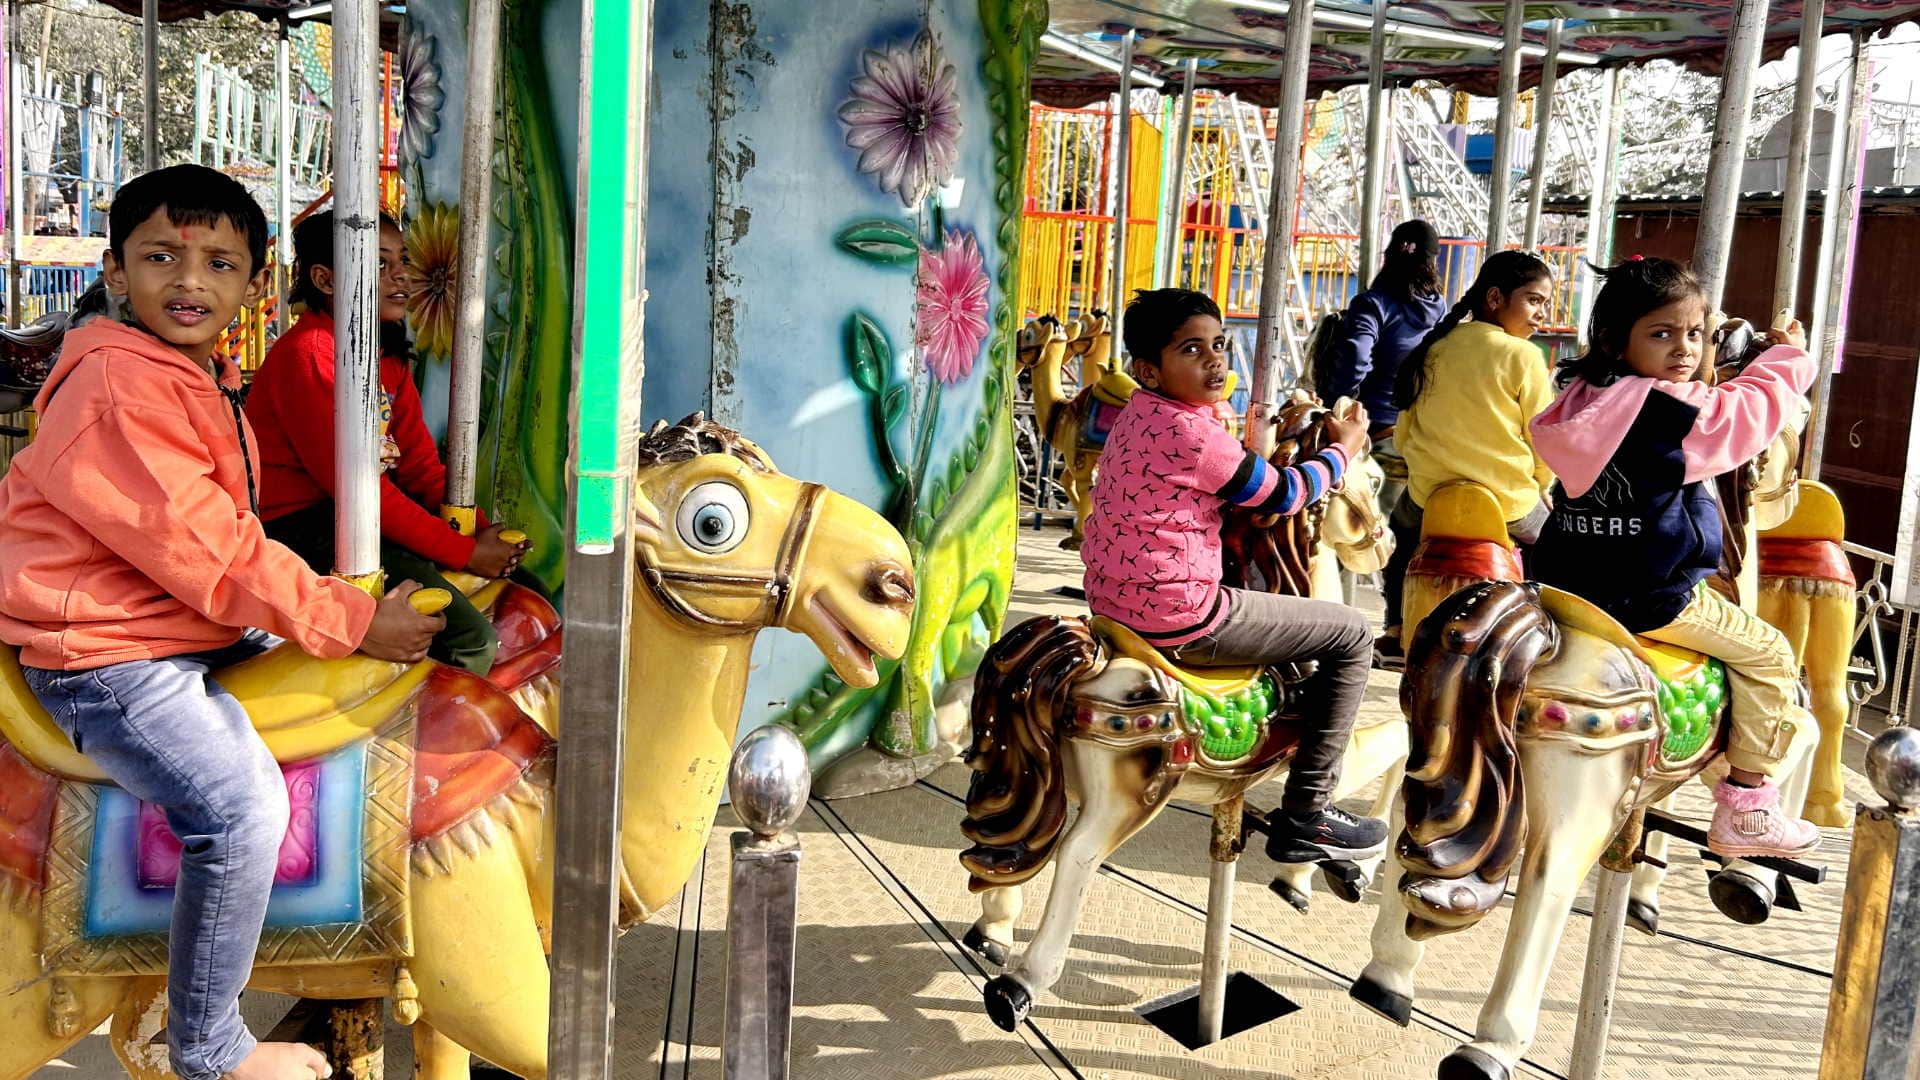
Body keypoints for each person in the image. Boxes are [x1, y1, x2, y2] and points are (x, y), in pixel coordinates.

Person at [0, 164, 442, 1080]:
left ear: (253, 284)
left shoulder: (186, 374)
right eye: (162, 257)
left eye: (218, 262)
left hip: (164, 623)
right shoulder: (122, 384)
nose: (190, 281)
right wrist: (350, 617)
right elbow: (206, 546)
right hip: (106, 653)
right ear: (117, 273)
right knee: (242, 810)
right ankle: (207, 1045)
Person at [1082, 288, 1386, 863]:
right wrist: (1343, 451)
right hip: (1183, 615)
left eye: (1219, 344)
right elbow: (1289, 494)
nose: (1214, 360)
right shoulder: (1194, 435)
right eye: (1191, 350)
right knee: (1353, 632)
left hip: (1113, 604)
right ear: (1149, 369)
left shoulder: (1138, 416)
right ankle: (1309, 812)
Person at [1529, 257, 1819, 859]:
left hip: (1564, 583)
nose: (1684, 349)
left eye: (1696, 333)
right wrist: (1786, 359)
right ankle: (1748, 802)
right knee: (1770, 653)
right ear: (1615, 339)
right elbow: (1745, 414)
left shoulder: (1581, 398)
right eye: (1661, 334)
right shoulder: (1672, 415)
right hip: (1648, 595)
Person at [248, 211, 528, 676]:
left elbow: (419, 464)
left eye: (402, 260)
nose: (401, 274)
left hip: (358, 512)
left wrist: (476, 531)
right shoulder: (311, 355)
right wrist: (464, 552)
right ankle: (442, 743)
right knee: (468, 638)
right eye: (378, 264)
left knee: (525, 590)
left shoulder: (385, 354)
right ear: (326, 279)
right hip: (303, 524)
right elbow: (357, 488)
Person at [1376, 249, 1558, 663]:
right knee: (1557, 549)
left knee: (1402, 537)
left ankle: (1395, 629)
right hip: (1508, 502)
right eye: (1534, 300)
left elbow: (1405, 436)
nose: (1541, 313)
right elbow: (1543, 438)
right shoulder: (1524, 356)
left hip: (1431, 497)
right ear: (1495, 298)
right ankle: (1551, 633)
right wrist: (1543, 486)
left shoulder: (1435, 348)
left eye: (1544, 303)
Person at [1319, 219, 1448, 514]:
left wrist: (1338, 402)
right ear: (1432, 263)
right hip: (1418, 430)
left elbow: (1355, 356)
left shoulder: (1373, 304)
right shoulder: (1438, 308)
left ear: (1389, 256)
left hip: (1373, 428)